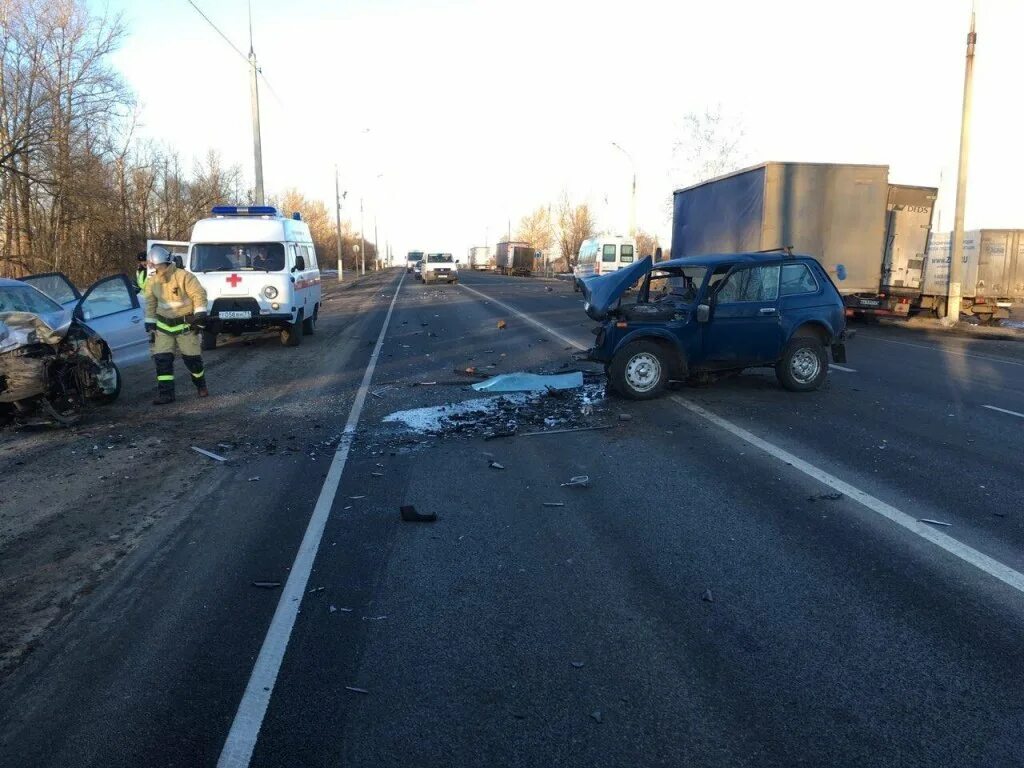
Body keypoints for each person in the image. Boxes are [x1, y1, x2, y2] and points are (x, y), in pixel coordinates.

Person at [143, 245, 210, 405]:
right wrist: (150, 323)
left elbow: (198, 294)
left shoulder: (184, 277)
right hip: (164, 327)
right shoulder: (152, 282)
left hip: (185, 326)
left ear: (162, 263)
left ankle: (201, 385)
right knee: (162, 360)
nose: (154, 269)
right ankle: (166, 395)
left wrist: (200, 314)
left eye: (155, 265)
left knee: (192, 360)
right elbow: (150, 303)